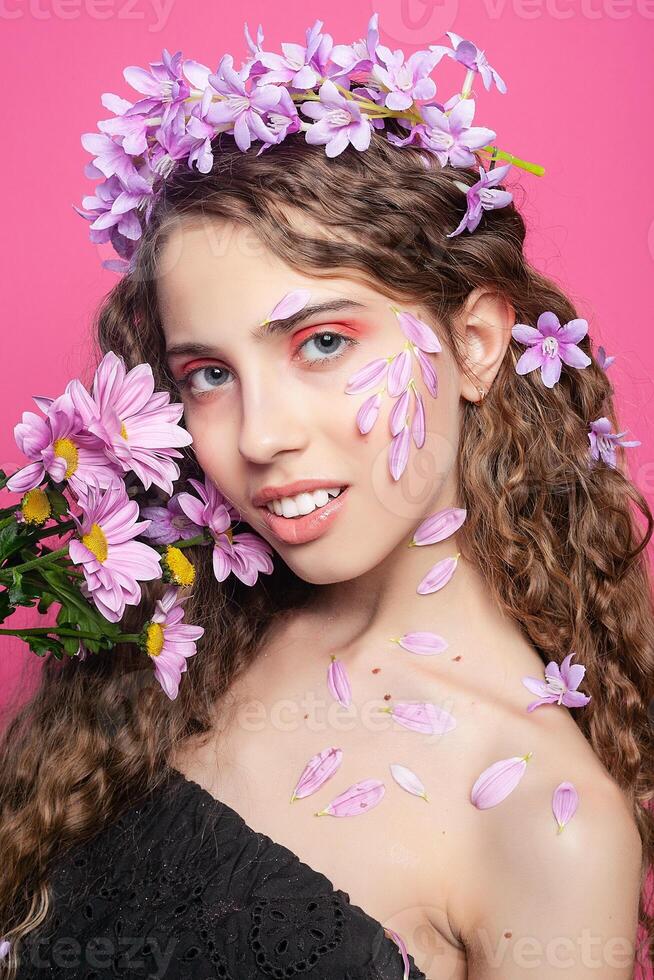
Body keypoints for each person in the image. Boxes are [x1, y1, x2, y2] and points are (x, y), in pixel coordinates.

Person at [0, 18, 652, 980]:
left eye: (324, 343)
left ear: (474, 343)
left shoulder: (546, 826)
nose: (259, 437)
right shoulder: (181, 638)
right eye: (209, 374)